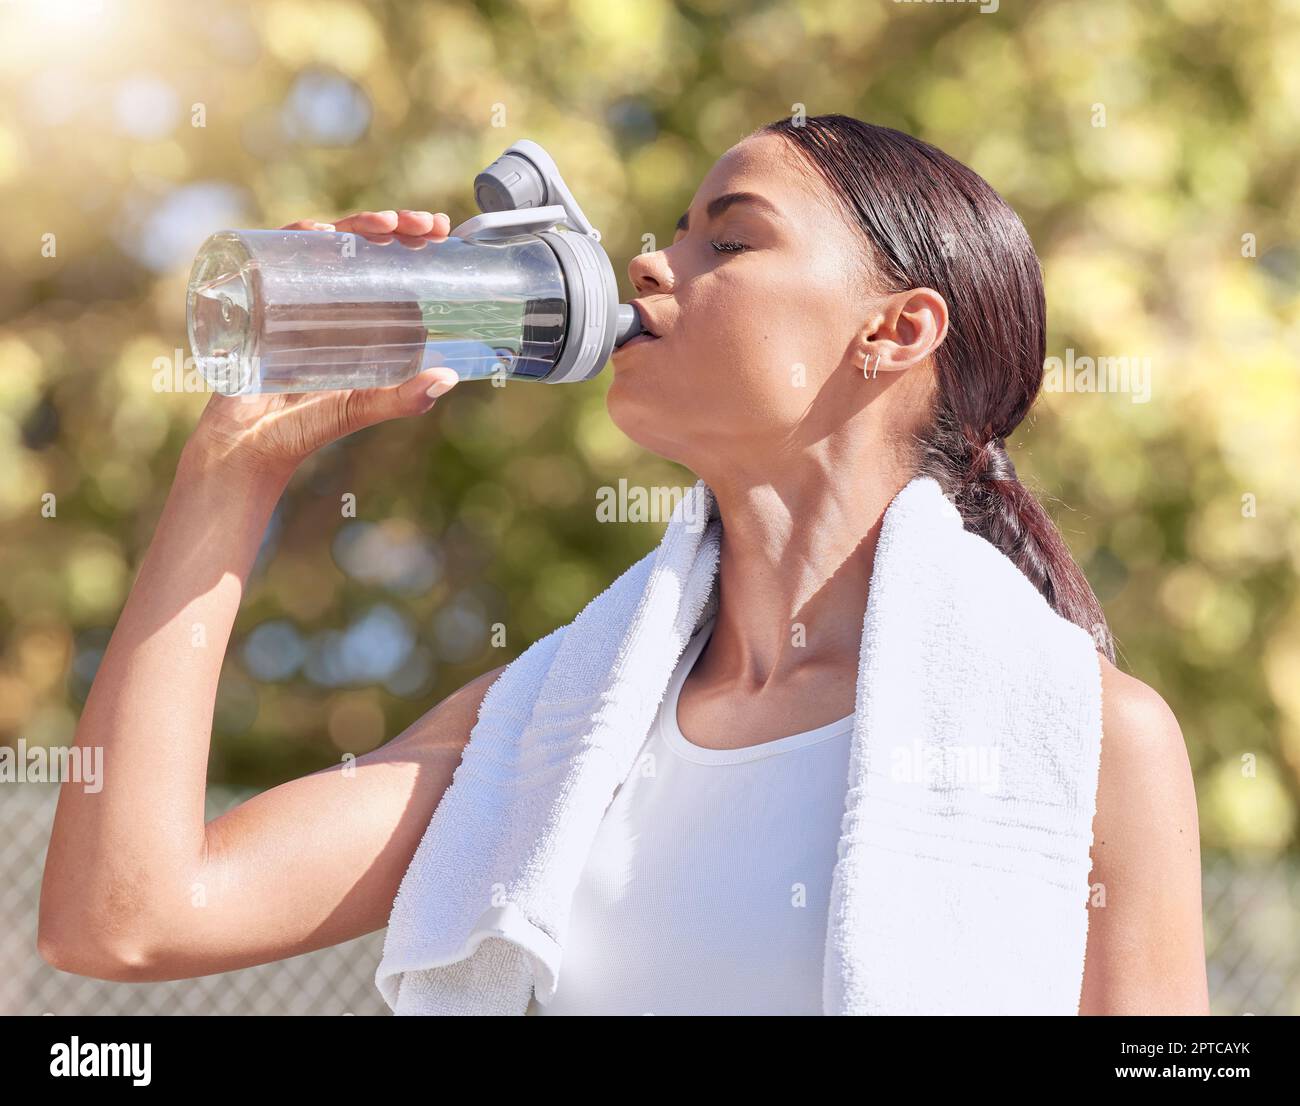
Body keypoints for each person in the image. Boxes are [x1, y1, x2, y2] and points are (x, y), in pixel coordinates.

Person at [38, 113, 1209, 1015]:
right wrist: (228, 473)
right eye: (674, 232)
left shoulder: (1087, 735)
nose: (651, 262)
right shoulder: (553, 721)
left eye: (728, 236)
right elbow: (124, 917)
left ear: (894, 330)